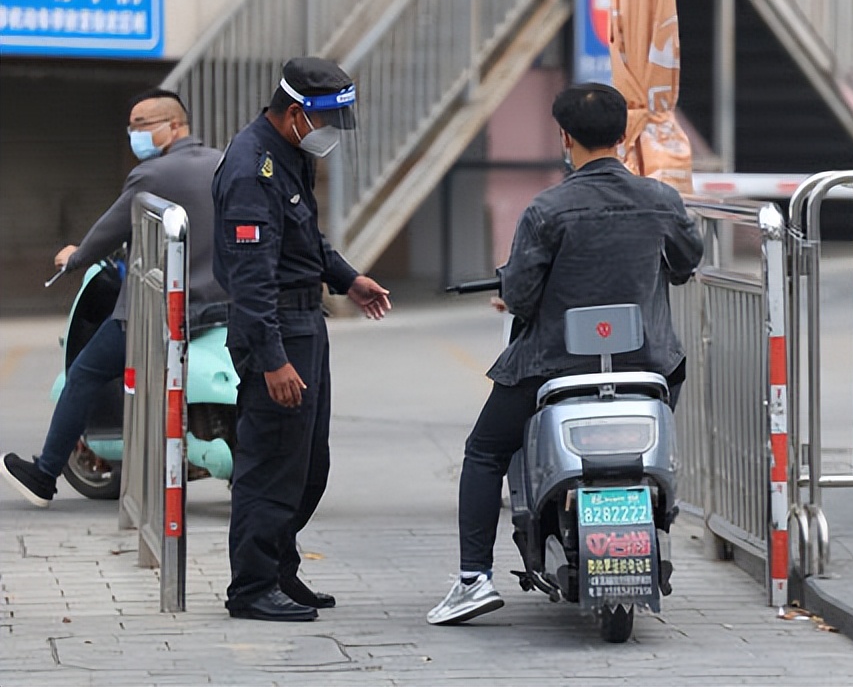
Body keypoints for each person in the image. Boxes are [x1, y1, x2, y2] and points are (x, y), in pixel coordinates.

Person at [427, 83, 704, 626]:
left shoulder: (548, 209)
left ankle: (472, 580)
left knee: (484, 452)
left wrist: (511, 289)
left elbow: (524, 295)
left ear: (565, 137)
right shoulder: (661, 200)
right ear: (624, 135)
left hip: (551, 367)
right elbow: (685, 260)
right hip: (646, 365)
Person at [212, 57, 391, 623]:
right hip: (277, 331)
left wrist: (346, 278)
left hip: (304, 322)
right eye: (327, 121)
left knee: (308, 465)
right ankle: (251, 587)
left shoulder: (288, 155)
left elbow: (304, 237)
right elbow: (251, 277)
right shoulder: (251, 169)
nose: (332, 133)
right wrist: (272, 359)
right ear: (295, 113)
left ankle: (279, 570)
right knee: (270, 465)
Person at [2, 89, 227, 508]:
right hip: (222, 307)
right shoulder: (222, 164)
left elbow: (110, 229)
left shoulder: (152, 176)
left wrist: (76, 257)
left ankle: (44, 474)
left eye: (143, 125)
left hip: (161, 310)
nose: (134, 134)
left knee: (84, 373)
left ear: (176, 125)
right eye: (131, 126)